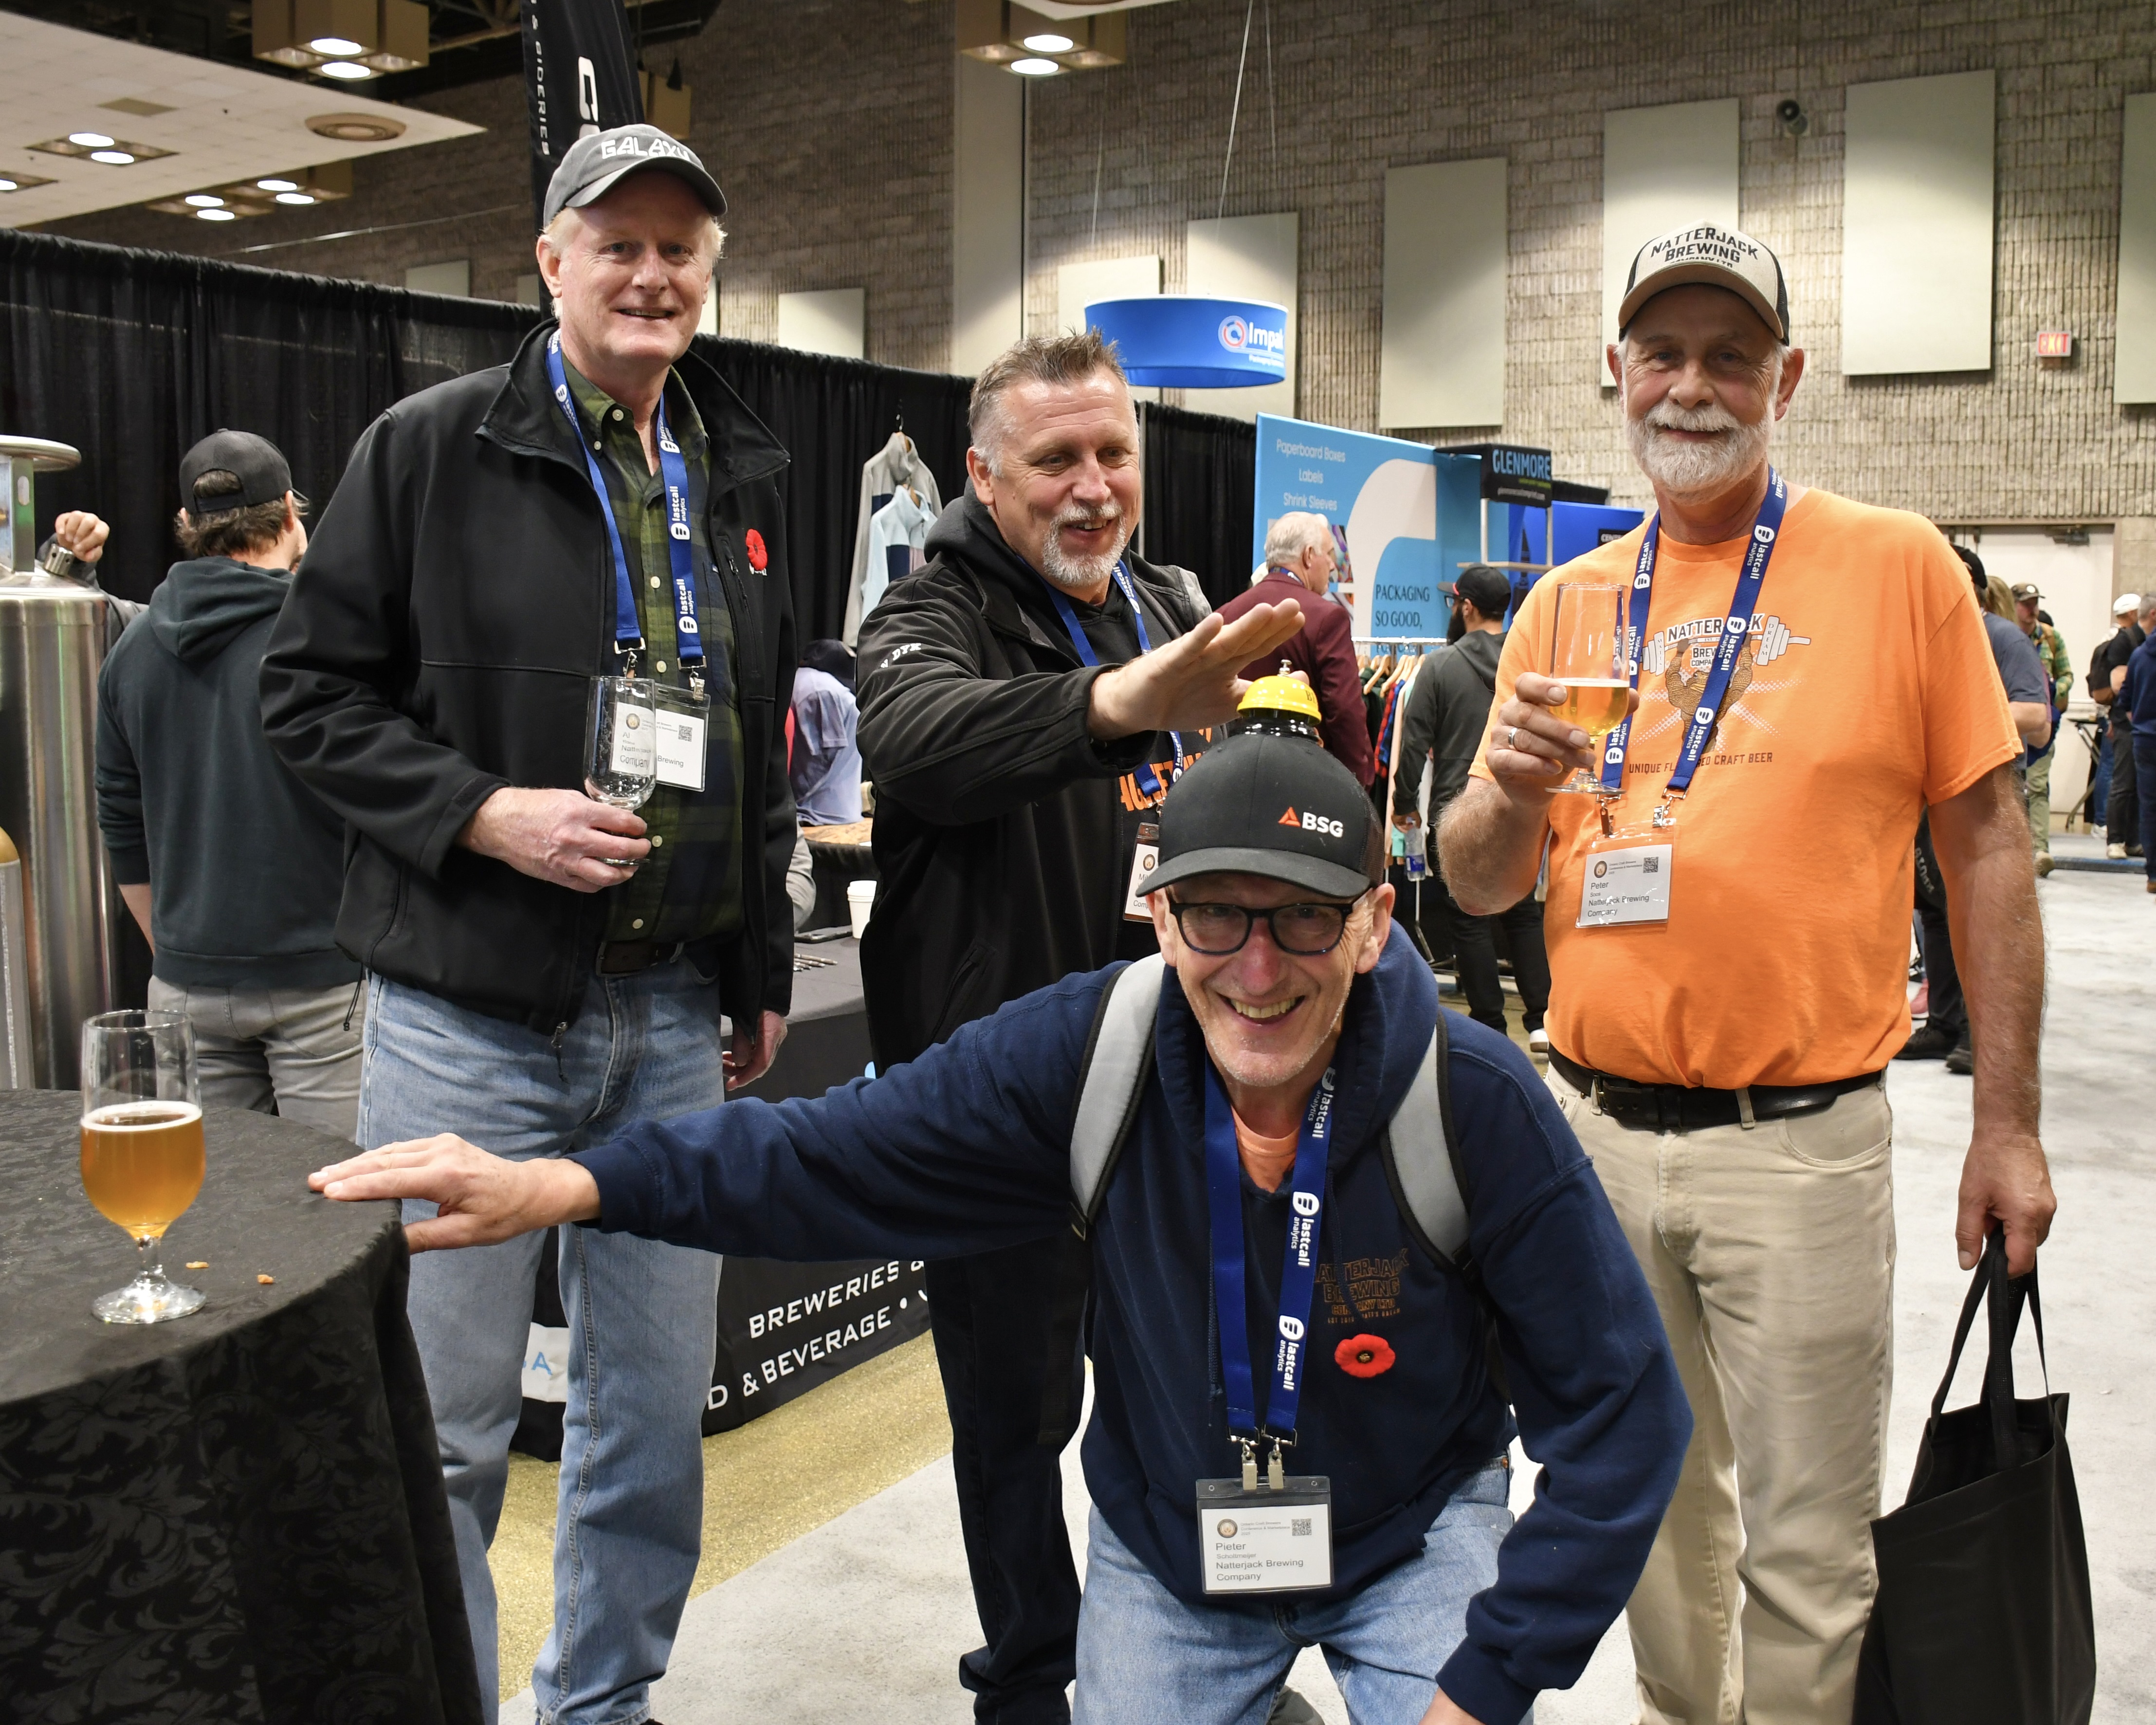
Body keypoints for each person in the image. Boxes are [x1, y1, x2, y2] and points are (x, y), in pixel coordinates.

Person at [312, 728, 1693, 1725]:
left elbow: (1623, 1417)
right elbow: (831, 1154)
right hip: (1175, 1544)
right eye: (1216, 917)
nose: (1257, 968)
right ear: (1159, 917)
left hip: (1406, 1530)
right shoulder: (1085, 1054)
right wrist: (571, 1185)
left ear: (1377, 924)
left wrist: (1484, 1684)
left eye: (1304, 922)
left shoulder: (1473, 1100)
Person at [1437, 221, 2056, 1724]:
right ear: (1617, 373)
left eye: (1729, 355)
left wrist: (2007, 1122)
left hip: (1800, 1148)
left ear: (1783, 379)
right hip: (1591, 1140)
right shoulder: (1566, 605)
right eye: (1662, 352)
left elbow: (1986, 851)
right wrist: (1504, 790)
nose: (1691, 384)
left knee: (1805, 1543)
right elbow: (1477, 881)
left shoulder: (1895, 568)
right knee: (1648, 1510)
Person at [259, 125, 799, 1725]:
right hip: (467, 1019)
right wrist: (483, 811)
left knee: (649, 1423)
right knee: (442, 1423)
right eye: (615, 243)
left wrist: (758, 965)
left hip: (676, 1016)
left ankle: (601, 1705)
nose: (650, 274)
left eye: (679, 249)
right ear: (550, 261)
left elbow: (755, 740)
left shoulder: (737, 473)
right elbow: (306, 696)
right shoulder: (429, 449)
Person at [853, 328, 1304, 1725]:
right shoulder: (927, 611)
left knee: (1194, 1392)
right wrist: (1125, 702)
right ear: (983, 477)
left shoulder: (1167, 598)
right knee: (1013, 1425)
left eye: (1113, 452)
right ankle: (1029, 1682)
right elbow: (921, 742)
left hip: (1177, 1095)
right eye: (1055, 459)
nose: (1093, 485)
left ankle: (1188, 1663)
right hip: (1005, 1115)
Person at [94, 431, 362, 1137]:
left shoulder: (130, 651)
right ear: (291, 515)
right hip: (323, 985)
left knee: (212, 1200)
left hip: (185, 988)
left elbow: (119, 820)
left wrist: (177, 952)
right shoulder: (329, 636)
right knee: (339, 1195)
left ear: (188, 525)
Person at [1898, 553, 2050, 1071]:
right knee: (1934, 913)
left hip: (1983, 795)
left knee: (1981, 913)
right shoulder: (1923, 637)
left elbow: (2035, 714)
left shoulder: (2002, 638)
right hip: (1926, 795)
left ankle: (1979, 1037)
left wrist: (1950, 712)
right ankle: (1945, 1024)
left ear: (1971, 585)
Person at [1391, 565, 1549, 1054]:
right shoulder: (1525, 668)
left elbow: (1413, 745)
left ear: (1466, 607)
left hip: (1455, 809)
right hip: (1515, 804)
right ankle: (1541, 1020)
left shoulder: (1440, 667)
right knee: (1523, 913)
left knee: (1468, 917)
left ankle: (1490, 1027)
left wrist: (1402, 804)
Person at [1219, 512, 1374, 786]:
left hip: (1232, 778)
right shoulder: (1328, 618)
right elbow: (1345, 712)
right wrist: (1358, 786)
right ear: (1308, 556)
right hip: (1305, 784)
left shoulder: (1225, 614)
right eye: (1329, 554)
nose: (1333, 566)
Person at [2011, 580, 2072, 874]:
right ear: (2014, 605)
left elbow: (2067, 674)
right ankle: (2016, 850)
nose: (2032, 609)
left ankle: (2040, 850)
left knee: (2037, 784)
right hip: (2012, 721)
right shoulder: (2007, 637)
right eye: (2026, 604)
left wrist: (2053, 692)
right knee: (2011, 785)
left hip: (2042, 721)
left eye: (2035, 603)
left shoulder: (2050, 637)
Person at [790, 639, 864, 825]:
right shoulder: (823, 689)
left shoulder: (804, 681)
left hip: (821, 812)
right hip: (826, 813)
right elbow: (822, 757)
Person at [2098, 592, 2146, 857]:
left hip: (2139, 722)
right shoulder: (2123, 642)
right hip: (2125, 723)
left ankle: (2133, 840)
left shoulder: (2142, 641)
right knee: (2123, 782)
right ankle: (2115, 840)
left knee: (2139, 784)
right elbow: (2118, 685)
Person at [2119, 594, 2156, 892]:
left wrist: (2142, 723)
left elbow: (2126, 699)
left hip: (2145, 740)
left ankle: (2153, 875)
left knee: (2150, 807)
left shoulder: (2140, 655)